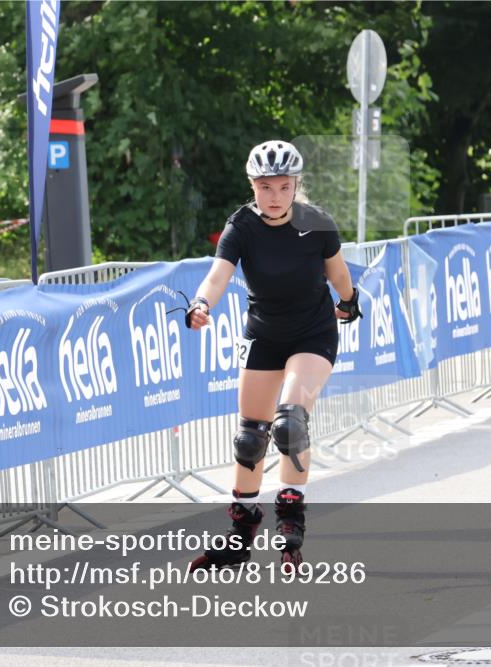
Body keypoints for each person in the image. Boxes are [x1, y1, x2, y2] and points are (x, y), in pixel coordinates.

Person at [184, 140, 361, 572]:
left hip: (312, 331)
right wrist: (201, 305)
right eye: (266, 187)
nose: (275, 196)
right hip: (264, 332)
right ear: (253, 185)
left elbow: (337, 273)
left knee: (290, 423)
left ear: (296, 185)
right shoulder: (241, 226)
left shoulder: (316, 222)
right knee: (250, 438)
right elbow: (217, 276)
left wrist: (349, 301)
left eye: (284, 187)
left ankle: (290, 521)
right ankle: (240, 535)